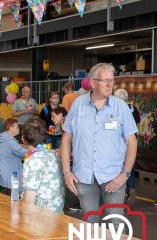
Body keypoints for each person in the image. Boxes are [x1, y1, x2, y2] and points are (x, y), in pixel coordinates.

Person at [61, 63, 138, 227]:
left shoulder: (121, 107)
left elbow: (132, 142)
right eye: (105, 81)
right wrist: (67, 172)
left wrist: (125, 174)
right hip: (84, 176)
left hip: (113, 176)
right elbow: (66, 139)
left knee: (116, 222)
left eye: (112, 80)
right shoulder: (78, 105)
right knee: (90, 222)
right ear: (93, 82)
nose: (110, 84)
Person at [22, 118, 65, 213]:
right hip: (57, 211)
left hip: (41, 214)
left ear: (23, 139)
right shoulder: (53, 154)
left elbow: (29, 201)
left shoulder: (33, 161)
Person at [114, 88, 141, 200]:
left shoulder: (116, 109)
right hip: (132, 139)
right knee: (130, 163)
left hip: (119, 140)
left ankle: (121, 188)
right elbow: (138, 123)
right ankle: (130, 186)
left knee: (119, 164)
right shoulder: (133, 108)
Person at [0, 118, 27, 190]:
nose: (19, 129)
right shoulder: (10, 142)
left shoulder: (1, 137)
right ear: (11, 128)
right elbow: (24, 154)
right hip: (4, 173)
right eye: (17, 127)